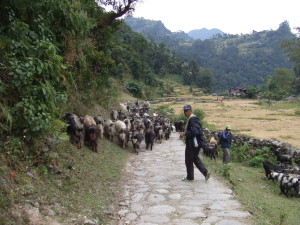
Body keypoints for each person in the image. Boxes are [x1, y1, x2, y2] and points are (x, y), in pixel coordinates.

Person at [179, 105, 210, 182]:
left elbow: (195, 132)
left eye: (187, 111)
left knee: (188, 160)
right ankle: (206, 173)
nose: (185, 112)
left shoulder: (193, 119)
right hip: (195, 144)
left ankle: (190, 177)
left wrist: (185, 133)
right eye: (184, 111)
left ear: (190, 111)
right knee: (195, 159)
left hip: (193, 144)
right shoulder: (192, 119)